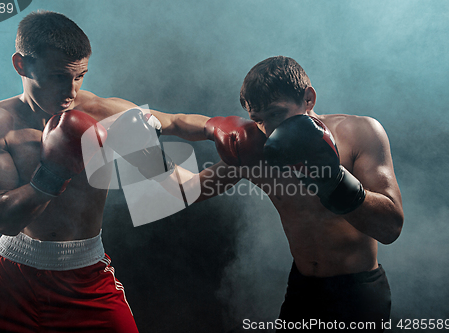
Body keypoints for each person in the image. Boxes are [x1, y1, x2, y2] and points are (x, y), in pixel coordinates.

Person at [0, 10, 208, 333]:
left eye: (80, 76)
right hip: (9, 277)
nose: (71, 91)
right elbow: (3, 218)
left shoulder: (100, 112)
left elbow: (176, 122)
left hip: (84, 276)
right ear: (21, 65)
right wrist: (53, 173)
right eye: (59, 76)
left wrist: (220, 129)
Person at [165, 56, 404, 332]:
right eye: (259, 119)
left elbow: (391, 228)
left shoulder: (359, 132)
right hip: (303, 289)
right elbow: (188, 191)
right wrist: (138, 147)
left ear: (308, 98)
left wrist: (334, 179)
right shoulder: (256, 148)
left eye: (277, 114)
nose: (269, 130)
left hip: (358, 292)